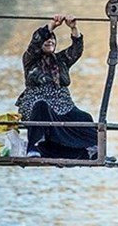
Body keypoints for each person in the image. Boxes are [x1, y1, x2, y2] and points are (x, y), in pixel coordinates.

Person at [15, 14, 98, 159]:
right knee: (41, 106)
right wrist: (52, 25)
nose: (49, 41)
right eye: (46, 40)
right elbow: (36, 41)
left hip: (62, 104)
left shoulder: (61, 60)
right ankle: (33, 146)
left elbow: (76, 50)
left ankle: (92, 148)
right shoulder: (30, 59)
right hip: (36, 102)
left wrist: (73, 28)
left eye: (52, 39)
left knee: (84, 117)